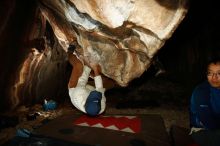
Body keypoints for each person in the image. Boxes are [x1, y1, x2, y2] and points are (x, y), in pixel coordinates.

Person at [67, 44, 106, 116]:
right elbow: (99, 88)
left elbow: (82, 81)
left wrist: (86, 64)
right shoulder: (102, 107)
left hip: (75, 87)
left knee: (79, 65)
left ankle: (69, 52)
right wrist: (95, 68)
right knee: (106, 82)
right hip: (88, 89)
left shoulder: (78, 96)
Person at [189, 57, 220, 146]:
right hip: (202, 131)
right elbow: (209, 122)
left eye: (219, 73)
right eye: (210, 73)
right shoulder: (201, 91)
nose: (214, 77)